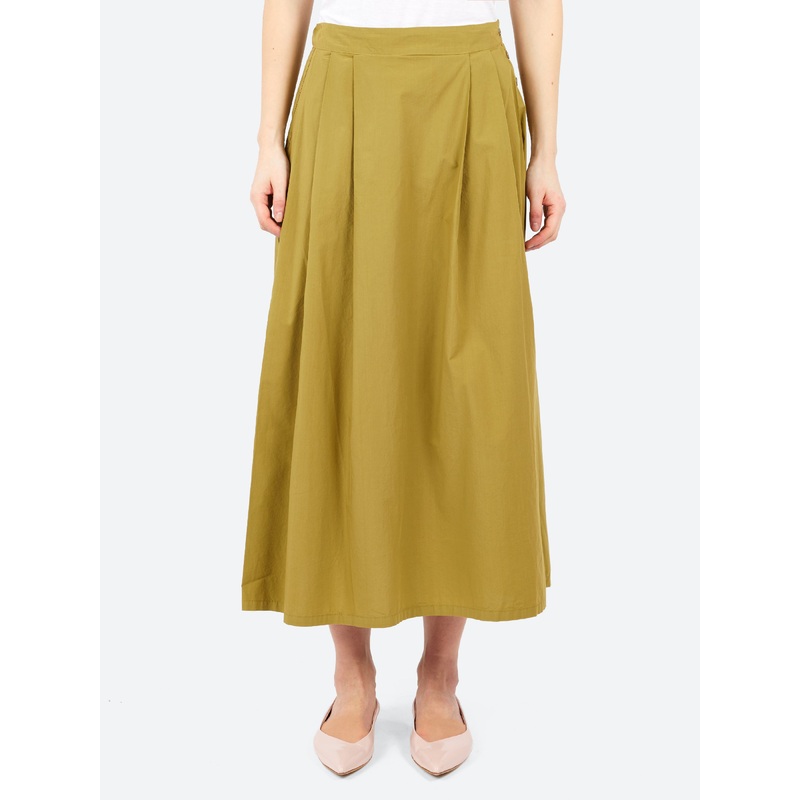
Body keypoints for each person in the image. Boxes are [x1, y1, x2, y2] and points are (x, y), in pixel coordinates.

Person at [242, 0, 565, 777]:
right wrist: (268, 138)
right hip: (345, 86)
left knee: (466, 388)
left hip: (470, 92)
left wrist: (547, 148)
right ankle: (350, 674)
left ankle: (440, 673)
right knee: (342, 364)